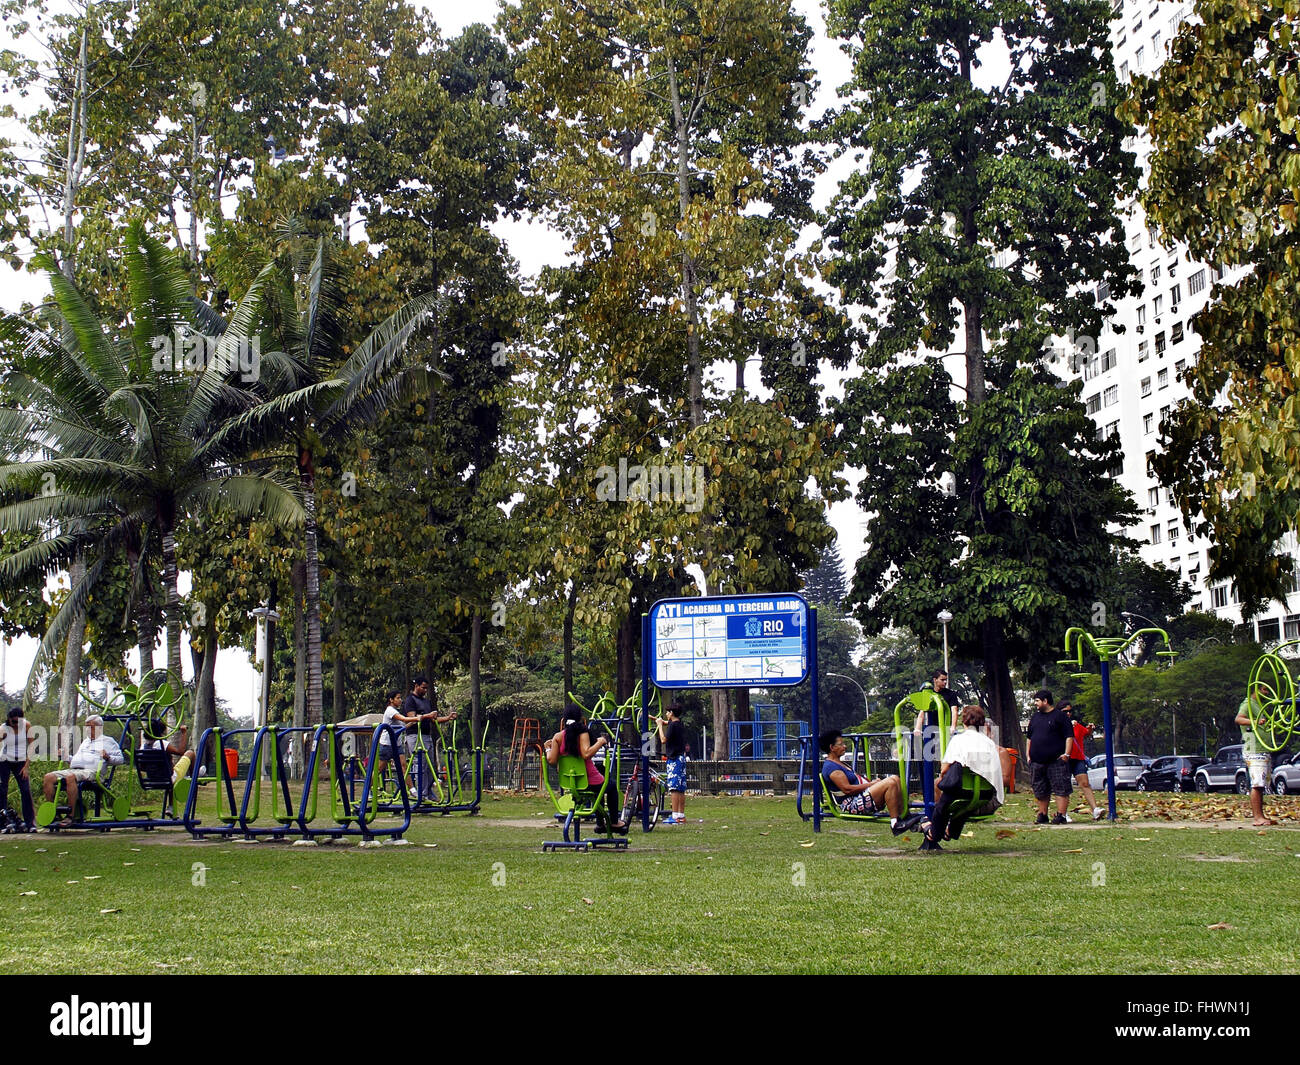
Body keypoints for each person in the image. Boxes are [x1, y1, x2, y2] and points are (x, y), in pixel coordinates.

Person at [919, 705, 1004, 851]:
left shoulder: (959, 740)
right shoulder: (989, 743)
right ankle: (951, 831)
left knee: (942, 806)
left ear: (963, 721)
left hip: (961, 790)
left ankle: (933, 832)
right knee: (962, 807)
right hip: (986, 793)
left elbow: (945, 768)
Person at [820, 729, 925, 835]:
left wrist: (874, 783)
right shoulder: (832, 768)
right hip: (852, 804)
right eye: (841, 744)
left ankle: (905, 815)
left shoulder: (840, 763)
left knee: (895, 779)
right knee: (890, 783)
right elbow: (847, 789)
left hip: (859, 797)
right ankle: (895, 823)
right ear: (832, 748)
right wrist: (872, 784)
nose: (844, 746)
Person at [544, 710, 625, 832]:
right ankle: (614, 822)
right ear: (580, 718)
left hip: (570, 783)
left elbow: (551, 760)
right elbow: (586, 753)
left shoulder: (558, 737)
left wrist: (547, 749)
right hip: (589, 781)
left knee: (599, 791)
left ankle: (600, 824)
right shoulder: (583, 733)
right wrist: (601, 741)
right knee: (611, 786)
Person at [41, 715, 125, 827]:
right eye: (86, 727)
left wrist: (108, 757)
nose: (87, 729)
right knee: (48, 777)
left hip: (93, 772)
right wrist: (65, 756)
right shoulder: (85, 742)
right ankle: (53, 814)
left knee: (71, 777)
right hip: (75, 769)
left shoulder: (108, 741)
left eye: (90, 727)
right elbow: (76, 759)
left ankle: (70, 816)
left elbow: (120, 760)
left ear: (99, 727)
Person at [402, 677, 456, 800]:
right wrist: (427, 715)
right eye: (423, 687)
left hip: (427, 735)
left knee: (431, 764)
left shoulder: (426, 702)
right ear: (416, 686)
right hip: (415, 735)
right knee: (421, 763)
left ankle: (428, 791)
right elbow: (413, 718)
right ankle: (421, 793)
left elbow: (433, 719)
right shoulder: (410, 700)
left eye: (427, 688)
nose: (425, 690)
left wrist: (448, 718)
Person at [1026, 689, 1073, 825]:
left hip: (1056, 761)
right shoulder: (1035, 717)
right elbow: (1029, 738)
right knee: (1040, 789)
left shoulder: (1060, 717)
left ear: (1045, 701)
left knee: (1061, 787)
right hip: (1037, 761)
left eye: (1037, 701)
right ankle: (1042, 814)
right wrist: (1028, 755)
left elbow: (1069, 736)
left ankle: (1061, 815)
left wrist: (1066, 754)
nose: (1035, 704)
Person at [1236, 682, 1276, 828]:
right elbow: (1239, 719)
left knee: (1261, 784)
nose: (1267, 693)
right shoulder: (1248, 703)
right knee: (1257, 784)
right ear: (1257, 689)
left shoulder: (1259, 705)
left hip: (1262, 749)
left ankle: (1261, 815)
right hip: (1253, 749)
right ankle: (1257, 817)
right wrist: (1255, 721)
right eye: (1265, 689)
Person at [378, 689, 430, 795]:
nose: (400, 700)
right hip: (387, 744)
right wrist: (418, 718)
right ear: (391, 700)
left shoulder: (395, 711)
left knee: (403, 766)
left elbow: (404, 725)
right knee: (380, 768)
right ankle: (368, 789)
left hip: (396, 744)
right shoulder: (390, 711)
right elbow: (405, 719)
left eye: (400, 698)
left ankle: (412, 790)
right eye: (398, 698)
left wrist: (417, 719)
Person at [1058, 700, 1104, 820]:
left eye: (1070, 711)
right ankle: (1063, 813)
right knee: (1064, 787)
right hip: (1065, 758)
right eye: (1065, 711)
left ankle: (1095, 810)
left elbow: (1086, 733)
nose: (1068, 714)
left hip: (1078, 759)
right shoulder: (1057, 725)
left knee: (1085, 783)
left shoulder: (1076, 725)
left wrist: (1090, 729)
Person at [0, 706, 36, 831]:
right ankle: (3, 822)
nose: (16, 724)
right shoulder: (4, 729)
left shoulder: (26, 726)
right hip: (5, 760)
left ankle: (30, 823)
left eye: (18, 721)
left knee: (25, 790)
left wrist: (26, 766)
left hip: (20, 761)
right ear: (9, 720)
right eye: (13, 722)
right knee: (2, 790)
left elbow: (32, 745)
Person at [655, 703, 688, 825]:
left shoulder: (672, 726)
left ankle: (674, 816)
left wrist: (659, 726)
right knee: (680, 788)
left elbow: (663, 739)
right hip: (681, 758)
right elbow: (668, 723)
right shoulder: (679, 724)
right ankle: (680, 815)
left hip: (673, 759)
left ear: (672, 713)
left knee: (674, 788)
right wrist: (660, 721)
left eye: (668, 712)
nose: (666, 714)